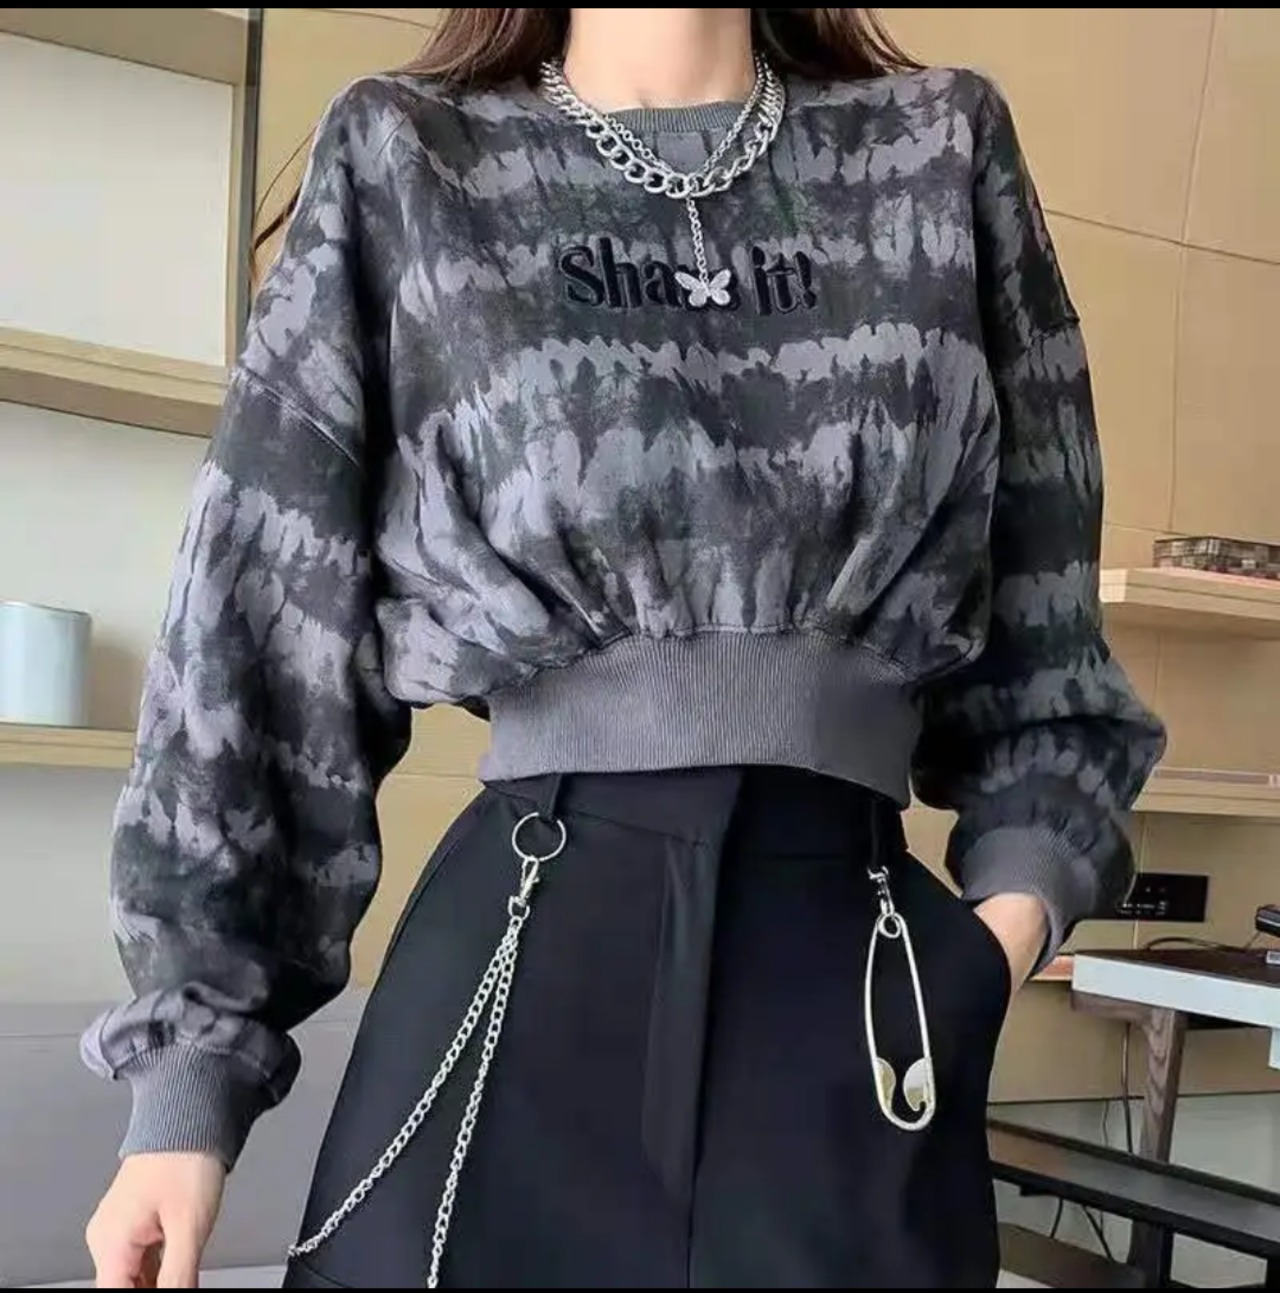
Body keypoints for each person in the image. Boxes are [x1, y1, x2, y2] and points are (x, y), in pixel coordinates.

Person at [81, 6, 1165, 1288]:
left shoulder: (938, 149)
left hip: (854, 996)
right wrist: (188, 1085)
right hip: (519, 970)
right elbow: (258, 628)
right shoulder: (407, 157)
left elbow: (1045, 638)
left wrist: (996, 939)